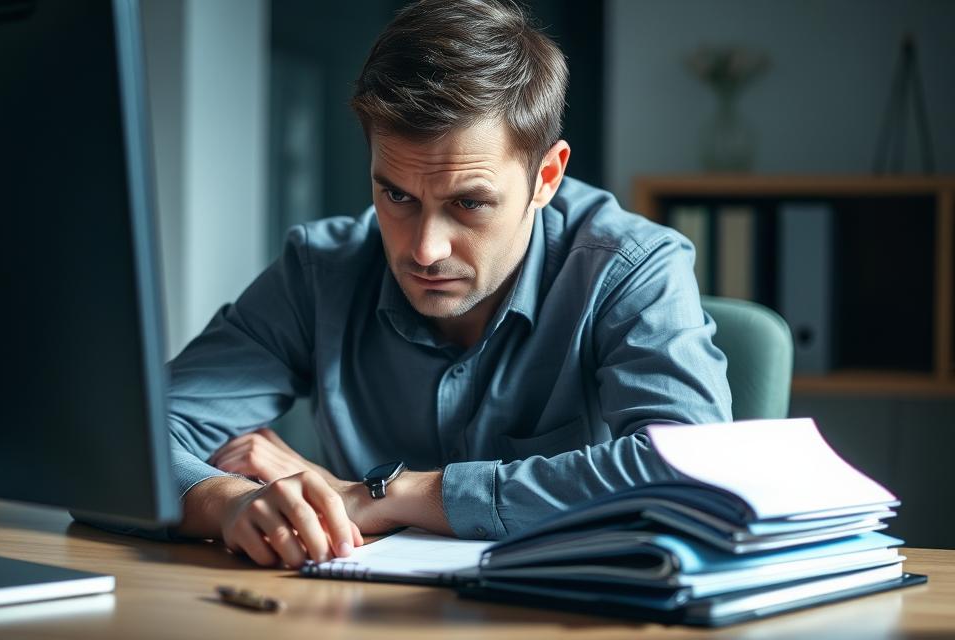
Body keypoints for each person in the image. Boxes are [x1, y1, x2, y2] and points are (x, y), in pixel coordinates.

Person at [164, 0, 731, 568]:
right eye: (397, 196)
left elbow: (690, 465)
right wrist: (233, 502)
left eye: (469, 203)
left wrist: (384, 496)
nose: (425, 249)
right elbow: (137, 437)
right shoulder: (319, 270)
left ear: (546, 178)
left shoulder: (631, 266)